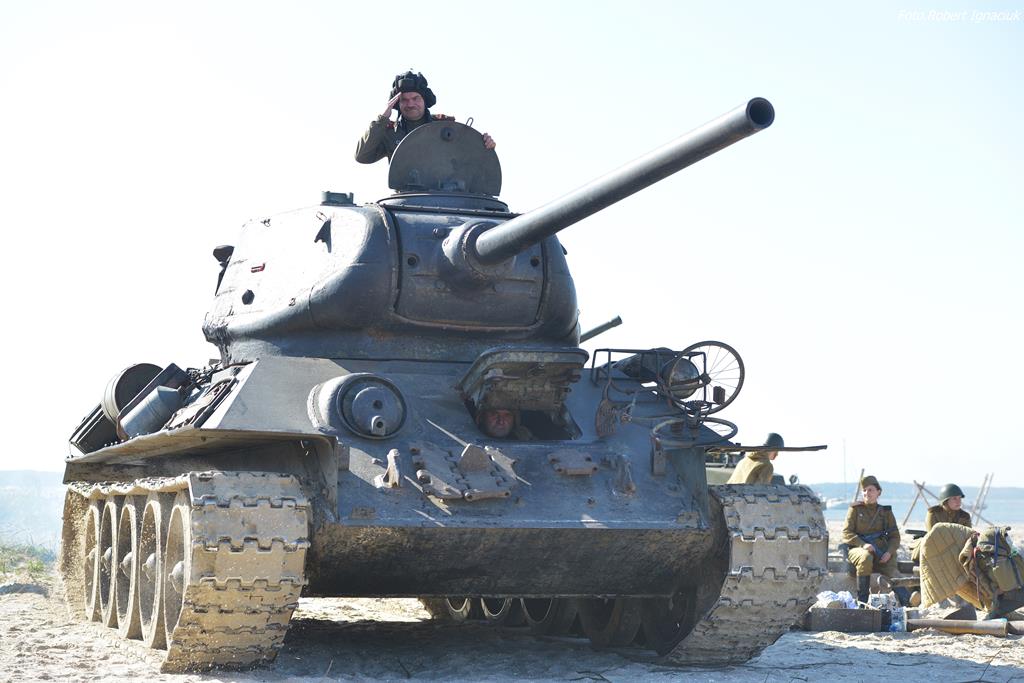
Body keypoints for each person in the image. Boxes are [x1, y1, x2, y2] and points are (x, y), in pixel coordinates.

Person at [355, 70, 496, 165]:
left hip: (446, 195)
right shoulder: (390, 133)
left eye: (415, 98)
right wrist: (382, 119)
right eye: (404, 100)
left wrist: (486, 145)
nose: (410, 104)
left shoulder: (445, 127)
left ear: (424, 100)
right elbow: (362, 156)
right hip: (407, 197)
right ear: (397, 103)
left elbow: (473, 159)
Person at [842, 475, 905, 605]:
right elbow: (846, 533)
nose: (867, 493)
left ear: (878, 492)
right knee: (865, 557)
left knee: (892, 570)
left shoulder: (886, 512)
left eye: (870, 490)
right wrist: (863, 544)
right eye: (864, 490)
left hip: (880, 552)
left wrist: (889, 552)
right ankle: (862, 601)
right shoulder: (855, 510)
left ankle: (907, 602)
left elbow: (894, 536)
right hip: (858, 550)